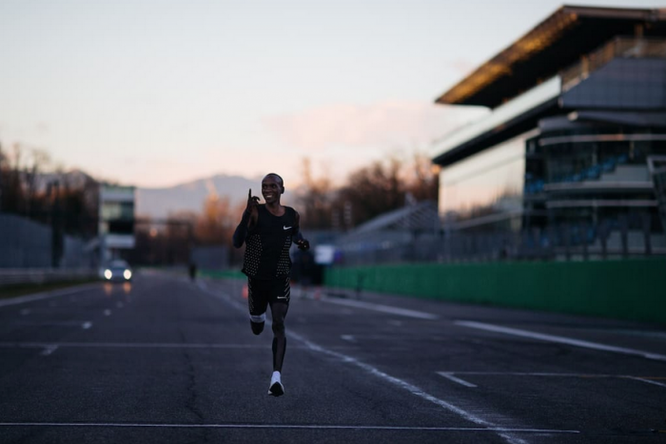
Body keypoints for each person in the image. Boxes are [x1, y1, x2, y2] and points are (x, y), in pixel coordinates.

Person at [232, 173, 309, 396]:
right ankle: (255, 317)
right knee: (257, 328)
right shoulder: (255, 212)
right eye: (264, 186)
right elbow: (237, 242)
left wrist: (302, 243)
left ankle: (276, 378)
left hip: (280, 278)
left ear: (282, 189)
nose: (268, 189)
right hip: (256, 279)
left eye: (273, 186)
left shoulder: (292, 215)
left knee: (279, 323)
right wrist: (246, 214)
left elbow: (296, 236)